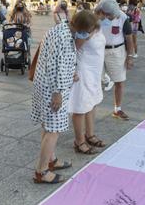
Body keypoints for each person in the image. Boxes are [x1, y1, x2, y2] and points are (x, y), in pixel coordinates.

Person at [31, 14, 81, 184]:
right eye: (87, 32)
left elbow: (58, 62)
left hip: (44, 84)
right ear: (81, 28)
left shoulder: (60, 28)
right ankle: (42, 171)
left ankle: (50, 160)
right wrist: (58, 92)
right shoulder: (66, 39)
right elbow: (55, 67)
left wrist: (69, 74)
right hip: (52, 90)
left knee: (48, 126)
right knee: (53, 130)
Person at [69, 10, 106, 154]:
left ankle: (89, 134)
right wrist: (72, 71)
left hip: (95, 71)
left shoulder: (95, 25)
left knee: (92, 102)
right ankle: (79, 141)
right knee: (81, 106)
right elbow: (73, 50)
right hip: (83, 71)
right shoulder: (84, 31)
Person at [95, 0, 134, 120]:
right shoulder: (95, 16)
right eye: (111, 16)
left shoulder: (122, 17)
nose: (114, 17)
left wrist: (130, 57)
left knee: (119, 81)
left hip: (116, 51)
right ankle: (91, 109)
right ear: (104, 13)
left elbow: (129, 38)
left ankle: (118, 109)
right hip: (98, 51)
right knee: (96, 82)